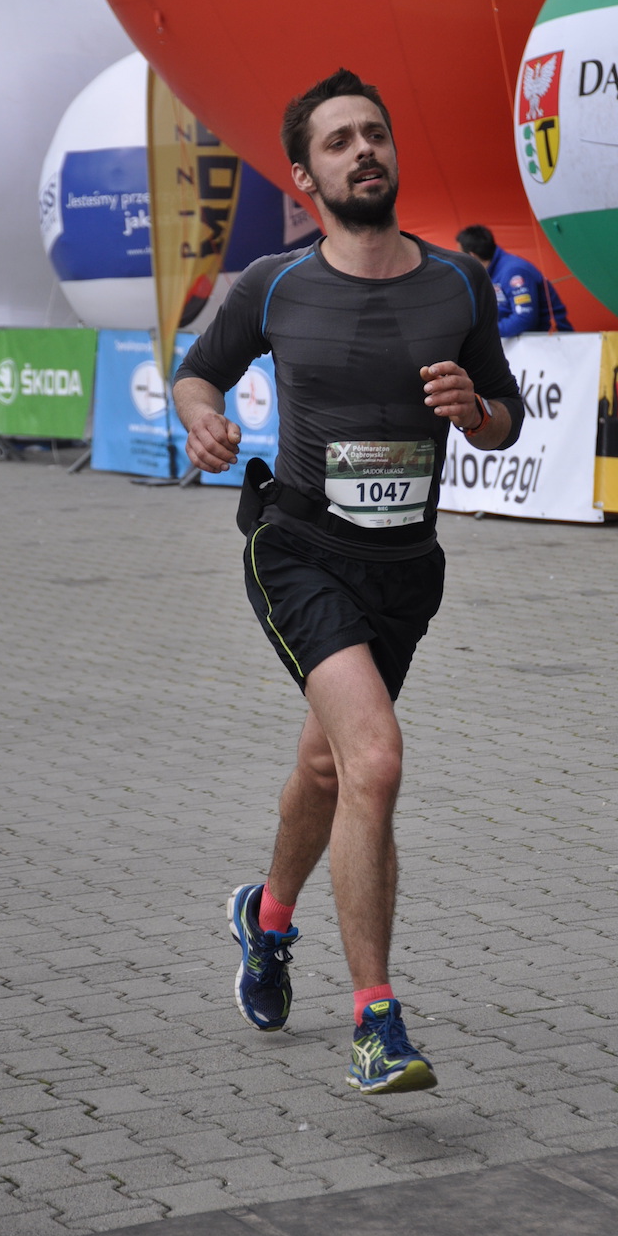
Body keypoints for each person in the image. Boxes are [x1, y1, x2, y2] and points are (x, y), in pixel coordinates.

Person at [173, 68, 524, 1096]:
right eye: (338, 140)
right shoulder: (274, 284)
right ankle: (376, 1022)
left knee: (327, 768)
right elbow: (197, 371)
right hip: (299, 550)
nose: (364, 149)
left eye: (375, 132)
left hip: (406, 569)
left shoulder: (458, 283)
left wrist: (476, 412)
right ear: (304, 175)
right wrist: (202, 419)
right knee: (374, 758)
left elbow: (505, 415)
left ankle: (266, 918)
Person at [455, 224, 574, 336]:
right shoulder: (489, 272)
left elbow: (524, 319)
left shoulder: (514, 271)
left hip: (552, 342)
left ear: (472, 256)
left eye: (460, 255)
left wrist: (482, 334)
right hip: (529, 343)